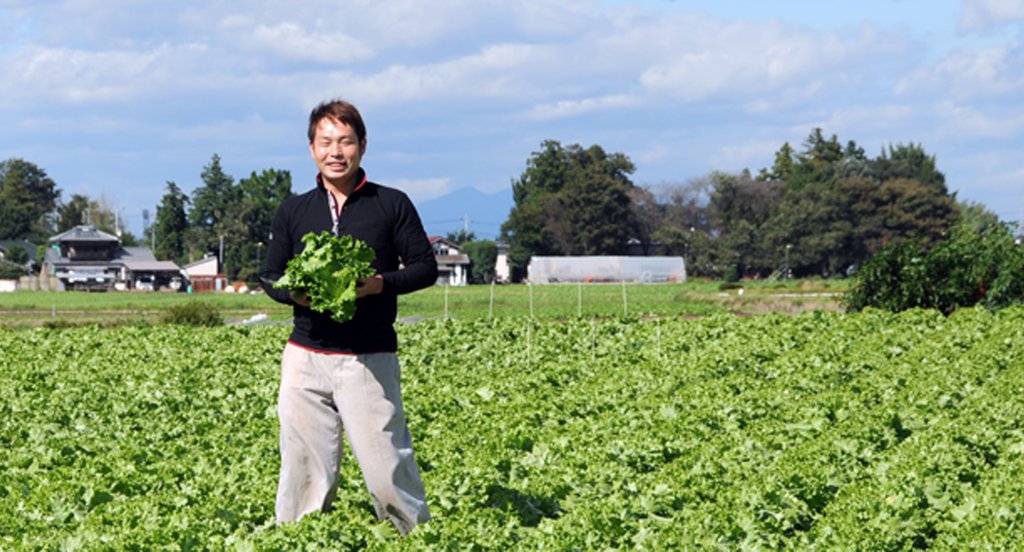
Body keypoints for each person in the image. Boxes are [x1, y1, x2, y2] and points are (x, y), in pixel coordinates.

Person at [260, 99, 437, 535]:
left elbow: (424, 267)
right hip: (305, 357)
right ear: (311, 149)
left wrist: (381, 283)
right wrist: (294, 295)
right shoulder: (294, 210)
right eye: (326, 142)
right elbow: (269, 274)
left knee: (385, 467)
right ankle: (300, 541)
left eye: (346, 141)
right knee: (302, 470)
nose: (335, 151)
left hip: (368, 358)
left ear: (362, 146)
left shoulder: (390, 204)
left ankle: (411, 537)